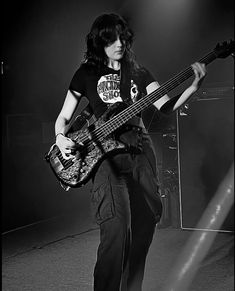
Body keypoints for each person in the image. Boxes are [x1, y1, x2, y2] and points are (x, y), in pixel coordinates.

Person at [54, 13, 206, 291]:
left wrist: (193, 87)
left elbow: (165, 107)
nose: (119, 43)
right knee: (116, 229)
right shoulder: (86, 73)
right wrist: (60, 137)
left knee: (143, 229)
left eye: (123, 37)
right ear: (99, 41)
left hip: (139, 154)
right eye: (111, 38)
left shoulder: (139, 72)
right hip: (105, 161)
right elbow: (64, 117)